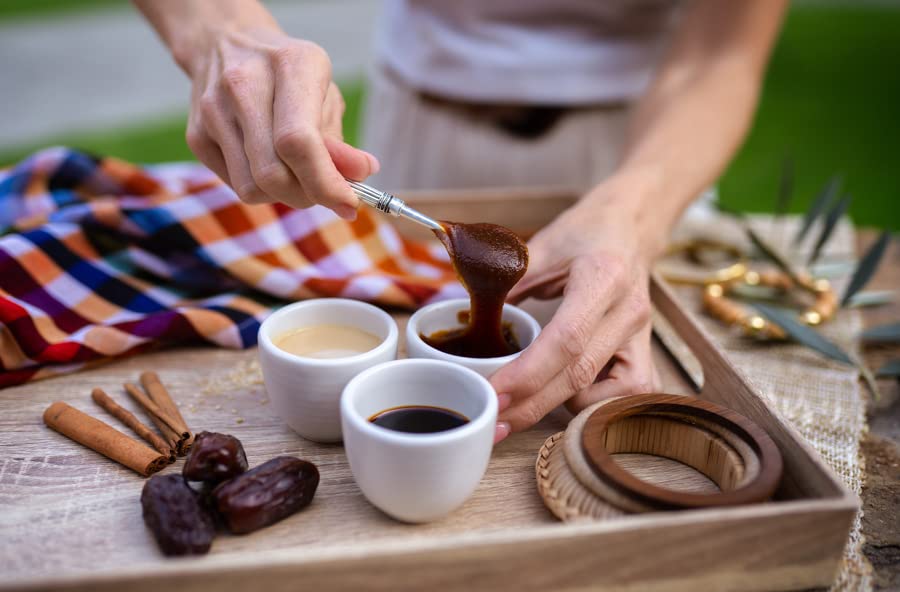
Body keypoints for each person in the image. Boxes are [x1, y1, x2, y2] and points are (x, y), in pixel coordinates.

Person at [136, 0, 786, 443]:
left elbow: (721, 56)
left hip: (644, 145)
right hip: (423, 121)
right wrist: (221, 30)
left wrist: (631, 215)